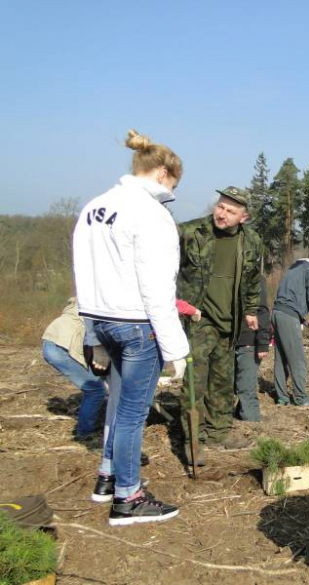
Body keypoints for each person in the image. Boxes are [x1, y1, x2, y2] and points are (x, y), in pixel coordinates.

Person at [73, 129, 188, 526]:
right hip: (138, 326)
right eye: (173, 184)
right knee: (131, 415)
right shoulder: (152, 215)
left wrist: (93, 331)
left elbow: (83, 273)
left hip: (101, 319)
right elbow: (158, 288)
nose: (172, 192)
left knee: (116, 405)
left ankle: (107, 476)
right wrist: (176, 349)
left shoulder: (94, 208)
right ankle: (129, 498)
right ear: (161, 174)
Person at [176, 186, 267, 460]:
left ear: (244, 217)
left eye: (230, 211)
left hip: (231, 321)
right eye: (220, 206)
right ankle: (194, 439)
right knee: (196, 380)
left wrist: (251, 310)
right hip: (199, 318)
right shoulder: (190, 233)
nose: (222, 214)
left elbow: (252, 280)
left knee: (223, 380)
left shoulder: (251, 241)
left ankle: (219, 431)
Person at [41, 298, 106, 437]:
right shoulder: (99, 304)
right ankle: (85, 432)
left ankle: (86, 427)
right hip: (61, 347)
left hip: (50, 342)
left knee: (95, 385)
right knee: (96, 390)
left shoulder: (82, 299)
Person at [272, 258, 309, 406]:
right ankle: (301, 398)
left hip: (277, 313)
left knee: (281, 359)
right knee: (298, 360)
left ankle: (282, 397)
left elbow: (288, 298)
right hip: (288, 316)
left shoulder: (292, 271)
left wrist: (302, 320)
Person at [233, 277, 271, 423]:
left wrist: (262, 342)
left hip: (249, 340)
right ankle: (240, 414)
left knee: (246, 386)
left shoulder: (255, 280)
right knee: (233, 384)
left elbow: (262, 311)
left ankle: (252, 423)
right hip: (230, 341)